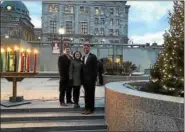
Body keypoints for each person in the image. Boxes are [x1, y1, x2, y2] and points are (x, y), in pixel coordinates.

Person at [82, 40, 98, 115]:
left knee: (91, 94)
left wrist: (94, 79)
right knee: (86, 94)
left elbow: (95, 69)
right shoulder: (83, 57)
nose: (85, 49)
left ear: (89, 48)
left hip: (91, 80)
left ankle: (91, 109)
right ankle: (86, 108)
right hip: (85, 80)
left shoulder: (93, 56)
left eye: (87, 48)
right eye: (84, 48)